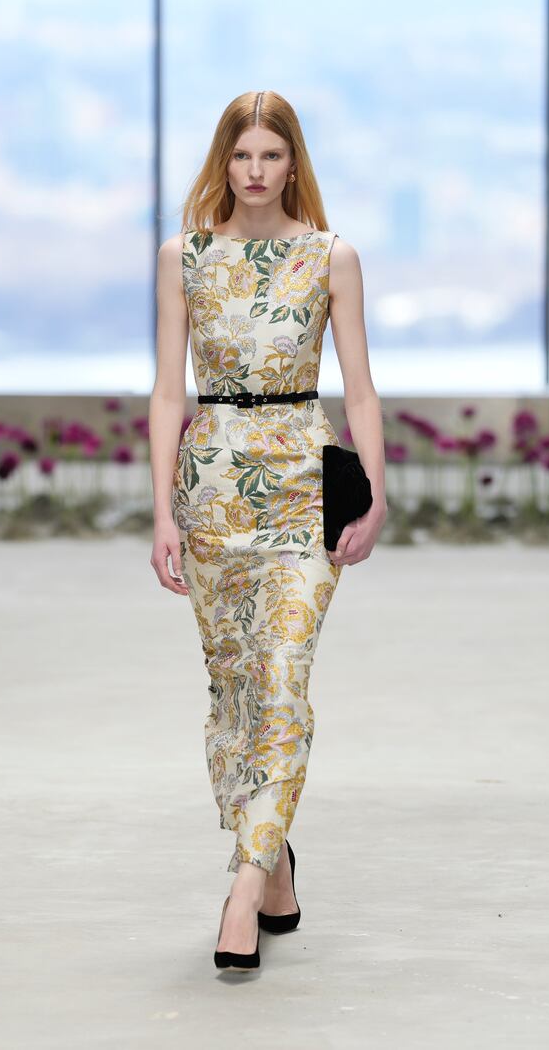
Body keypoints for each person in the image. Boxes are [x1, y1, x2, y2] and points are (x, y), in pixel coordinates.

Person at [148, 90, 387, 972]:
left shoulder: (332, 256)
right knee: (235, 688)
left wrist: (377, 492)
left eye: (271, 157)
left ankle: (245, 884)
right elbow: (168, 392)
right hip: (211, 485)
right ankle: (276, 855)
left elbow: (358, 387)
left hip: (304, 483)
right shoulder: (186, 257)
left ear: (294, 164)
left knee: (283, 676)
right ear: (224, 160)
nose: (255, 172)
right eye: (242, 156)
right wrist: (161, 510)